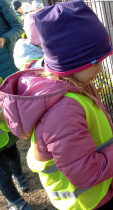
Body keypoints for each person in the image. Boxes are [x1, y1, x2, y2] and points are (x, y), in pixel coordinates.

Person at [0, 0, 113, 209]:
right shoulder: (63, 110)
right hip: (86, 202)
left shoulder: (71, 91)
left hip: (95, 194)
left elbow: (86, 129)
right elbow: (86, 172)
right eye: (96, 62)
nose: (101, 69)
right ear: (73, 62)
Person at [0, 1, 32, 210]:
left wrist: (4, 39)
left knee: (9, 139)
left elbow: (18, 27)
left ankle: (19, 173)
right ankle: (16, 202)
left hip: (6, 76)